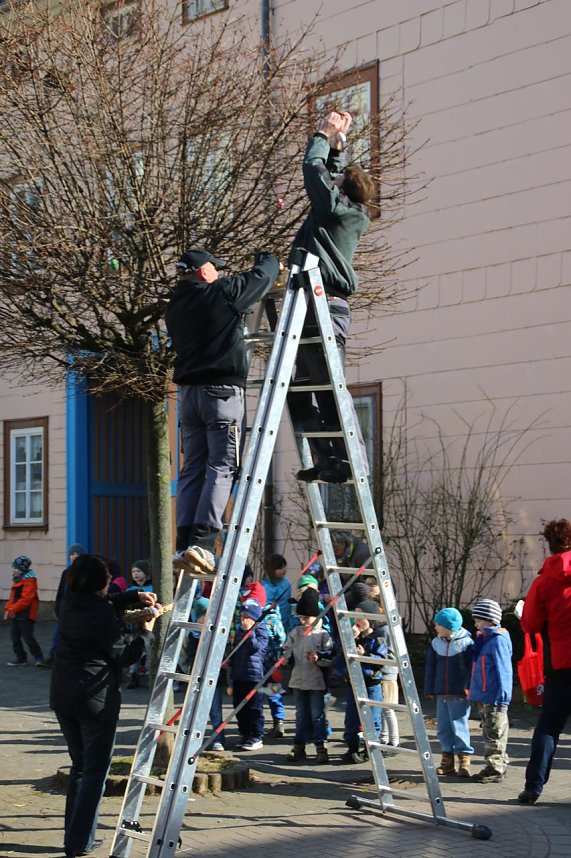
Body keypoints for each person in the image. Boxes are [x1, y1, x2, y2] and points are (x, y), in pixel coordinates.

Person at [165, 248, 280, 575]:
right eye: (215, 268)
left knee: (192, 469)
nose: (219, 272)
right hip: (221, 394)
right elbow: (263, 276)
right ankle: (203, 544)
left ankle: (184, 544)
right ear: (203, 271)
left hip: (189, 396)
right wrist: (267, 257)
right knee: (222, 465)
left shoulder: (174, 308)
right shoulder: (222, 293)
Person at [49, 553, 157, 858]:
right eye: (107, 578)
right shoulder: (101, 616)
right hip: (94, 701)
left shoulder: (70, 602)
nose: (110, 581)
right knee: (94, 772)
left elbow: (109, 601)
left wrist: (134, 596)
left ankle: (77, 836)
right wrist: (146, 633)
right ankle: (78, 842)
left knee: (80, 767)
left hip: (63, 696)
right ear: (97, 583)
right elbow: (124, 655)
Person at [288, 111, 375, 484]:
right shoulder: (343, 211)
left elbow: (313, 170)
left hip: (325, 306)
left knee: (331, 391)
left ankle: (354, 461)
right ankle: (329, 461)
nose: (333, 178)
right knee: (300, 392)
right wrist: (339, 144)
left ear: (342, 189)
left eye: (337, 179)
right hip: (312, 304)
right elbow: (331, 174)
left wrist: (323, 134)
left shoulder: (336, 210)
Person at [517, 518, 571, 805]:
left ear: (549, 544)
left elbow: (531, 623)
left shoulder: (543, 581)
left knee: (549, 726)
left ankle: (533, 788)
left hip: (561, 663)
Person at [283, 587, 334, 764]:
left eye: (306, 617)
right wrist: (285, 660)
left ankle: (321, 746)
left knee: (317, 715)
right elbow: (286, 651)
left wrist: (318, 658)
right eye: (300, 617)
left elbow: (330, 658)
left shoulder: (322, 635)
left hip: (316, 682)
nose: (303, 621)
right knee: (300, 715)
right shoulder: (295, 633)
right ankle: (299, 746)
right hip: (298, 680)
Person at [424, 607, 474, 777]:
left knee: (459, 726)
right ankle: (447, 760)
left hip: (459, 693)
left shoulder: (466, 643)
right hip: (441, 694)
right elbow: (431, 667)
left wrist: (468, 686)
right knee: (443, 727)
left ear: (449, 626)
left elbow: (471, 668)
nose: (436, 627)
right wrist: (430, 688)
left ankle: (464, 759)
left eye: (438, 625)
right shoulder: (436, 643)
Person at [468, 598, 513, 783]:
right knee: (488, 731)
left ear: (489, 620)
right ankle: (494, 765)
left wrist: (503, 698)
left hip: (494, 696)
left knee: (495, 732)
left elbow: (504, 670)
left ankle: (496, 768)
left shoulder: (498, 640)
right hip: (484, 694)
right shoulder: (483, 639)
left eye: (479, 620)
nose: (476, 623)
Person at [340, 599, 387, 764]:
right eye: (355, 617)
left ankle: (371, 750)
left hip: (371, 683)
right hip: (354, 683)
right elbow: (342, 656)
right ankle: (352, 746)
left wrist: (365, 655)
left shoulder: (378, 637)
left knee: (373, 718)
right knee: (351, 718)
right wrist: (351, 639)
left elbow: (382, 659)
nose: (357, 621)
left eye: (361, 617)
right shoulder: (355, 636)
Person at [227, 598, 269, 751]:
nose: (244, 620)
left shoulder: (261, 630)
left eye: (247, 617)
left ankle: (256, 735)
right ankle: (244, 734)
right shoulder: (240, 630)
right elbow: (236, 649)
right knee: (239, 706)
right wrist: (230, 661)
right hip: (239, 675)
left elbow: (256, 648)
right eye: (242, 617)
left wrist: (249, 632)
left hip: (253, 676)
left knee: (254, 707)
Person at [39, 544, 86, 670]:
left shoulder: (85, 574)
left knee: (76, 636)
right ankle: (53, 657)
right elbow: (61, 591)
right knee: (57, 634)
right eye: (72, 554)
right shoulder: (66, 572)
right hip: (65, 609)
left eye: (77, 554)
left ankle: (76, 659)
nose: (74, 556)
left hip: (77, 610)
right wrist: (58, 607)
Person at [4, 555, 45, 667]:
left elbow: (26, 599)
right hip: (16, 614)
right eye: (13, 567)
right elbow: (13, 598)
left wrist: (12, 609)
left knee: (28, 637)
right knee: (14, 637)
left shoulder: (30, 581)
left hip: (26, 615)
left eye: (15, 568)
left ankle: (39, 657)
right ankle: (21, 657)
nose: (13, 570)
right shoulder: (17, 580)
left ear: (22, 569)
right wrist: (8, 608)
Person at [125, 560, 154, 688]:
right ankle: (133, 674)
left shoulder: (151, 588)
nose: (135, 574)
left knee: (149, 650)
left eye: (138, 571)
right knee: (134, 647)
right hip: (134, 625)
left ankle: (149, 672)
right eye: (133, 571)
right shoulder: (130, 589)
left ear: (146, 573)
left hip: (148, 624)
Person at [262, 553, 292, 633]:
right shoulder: (267, 587)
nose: (284, 570)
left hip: (287, 619)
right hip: (276, 623)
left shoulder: (285, 582)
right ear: (272, 569)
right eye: (280, 568)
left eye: (284, 567)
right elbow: (268, 607)